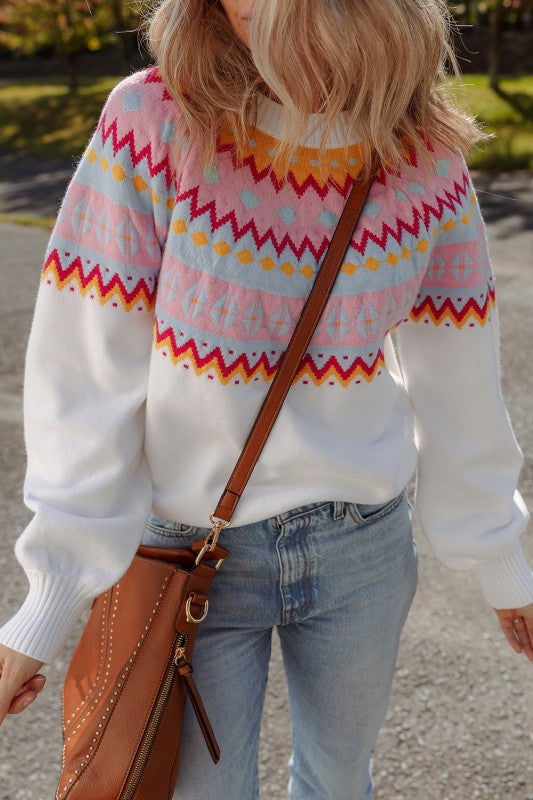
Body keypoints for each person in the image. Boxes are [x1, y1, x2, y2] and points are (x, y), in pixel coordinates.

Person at [0, 0, 532, 797]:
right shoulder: (155, 120)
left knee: (338, 780)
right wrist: (46, 602)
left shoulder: (421, 156)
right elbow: (85, 373)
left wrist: (500, 557)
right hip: (189, 546)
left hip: (362, 548)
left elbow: (458, 375)